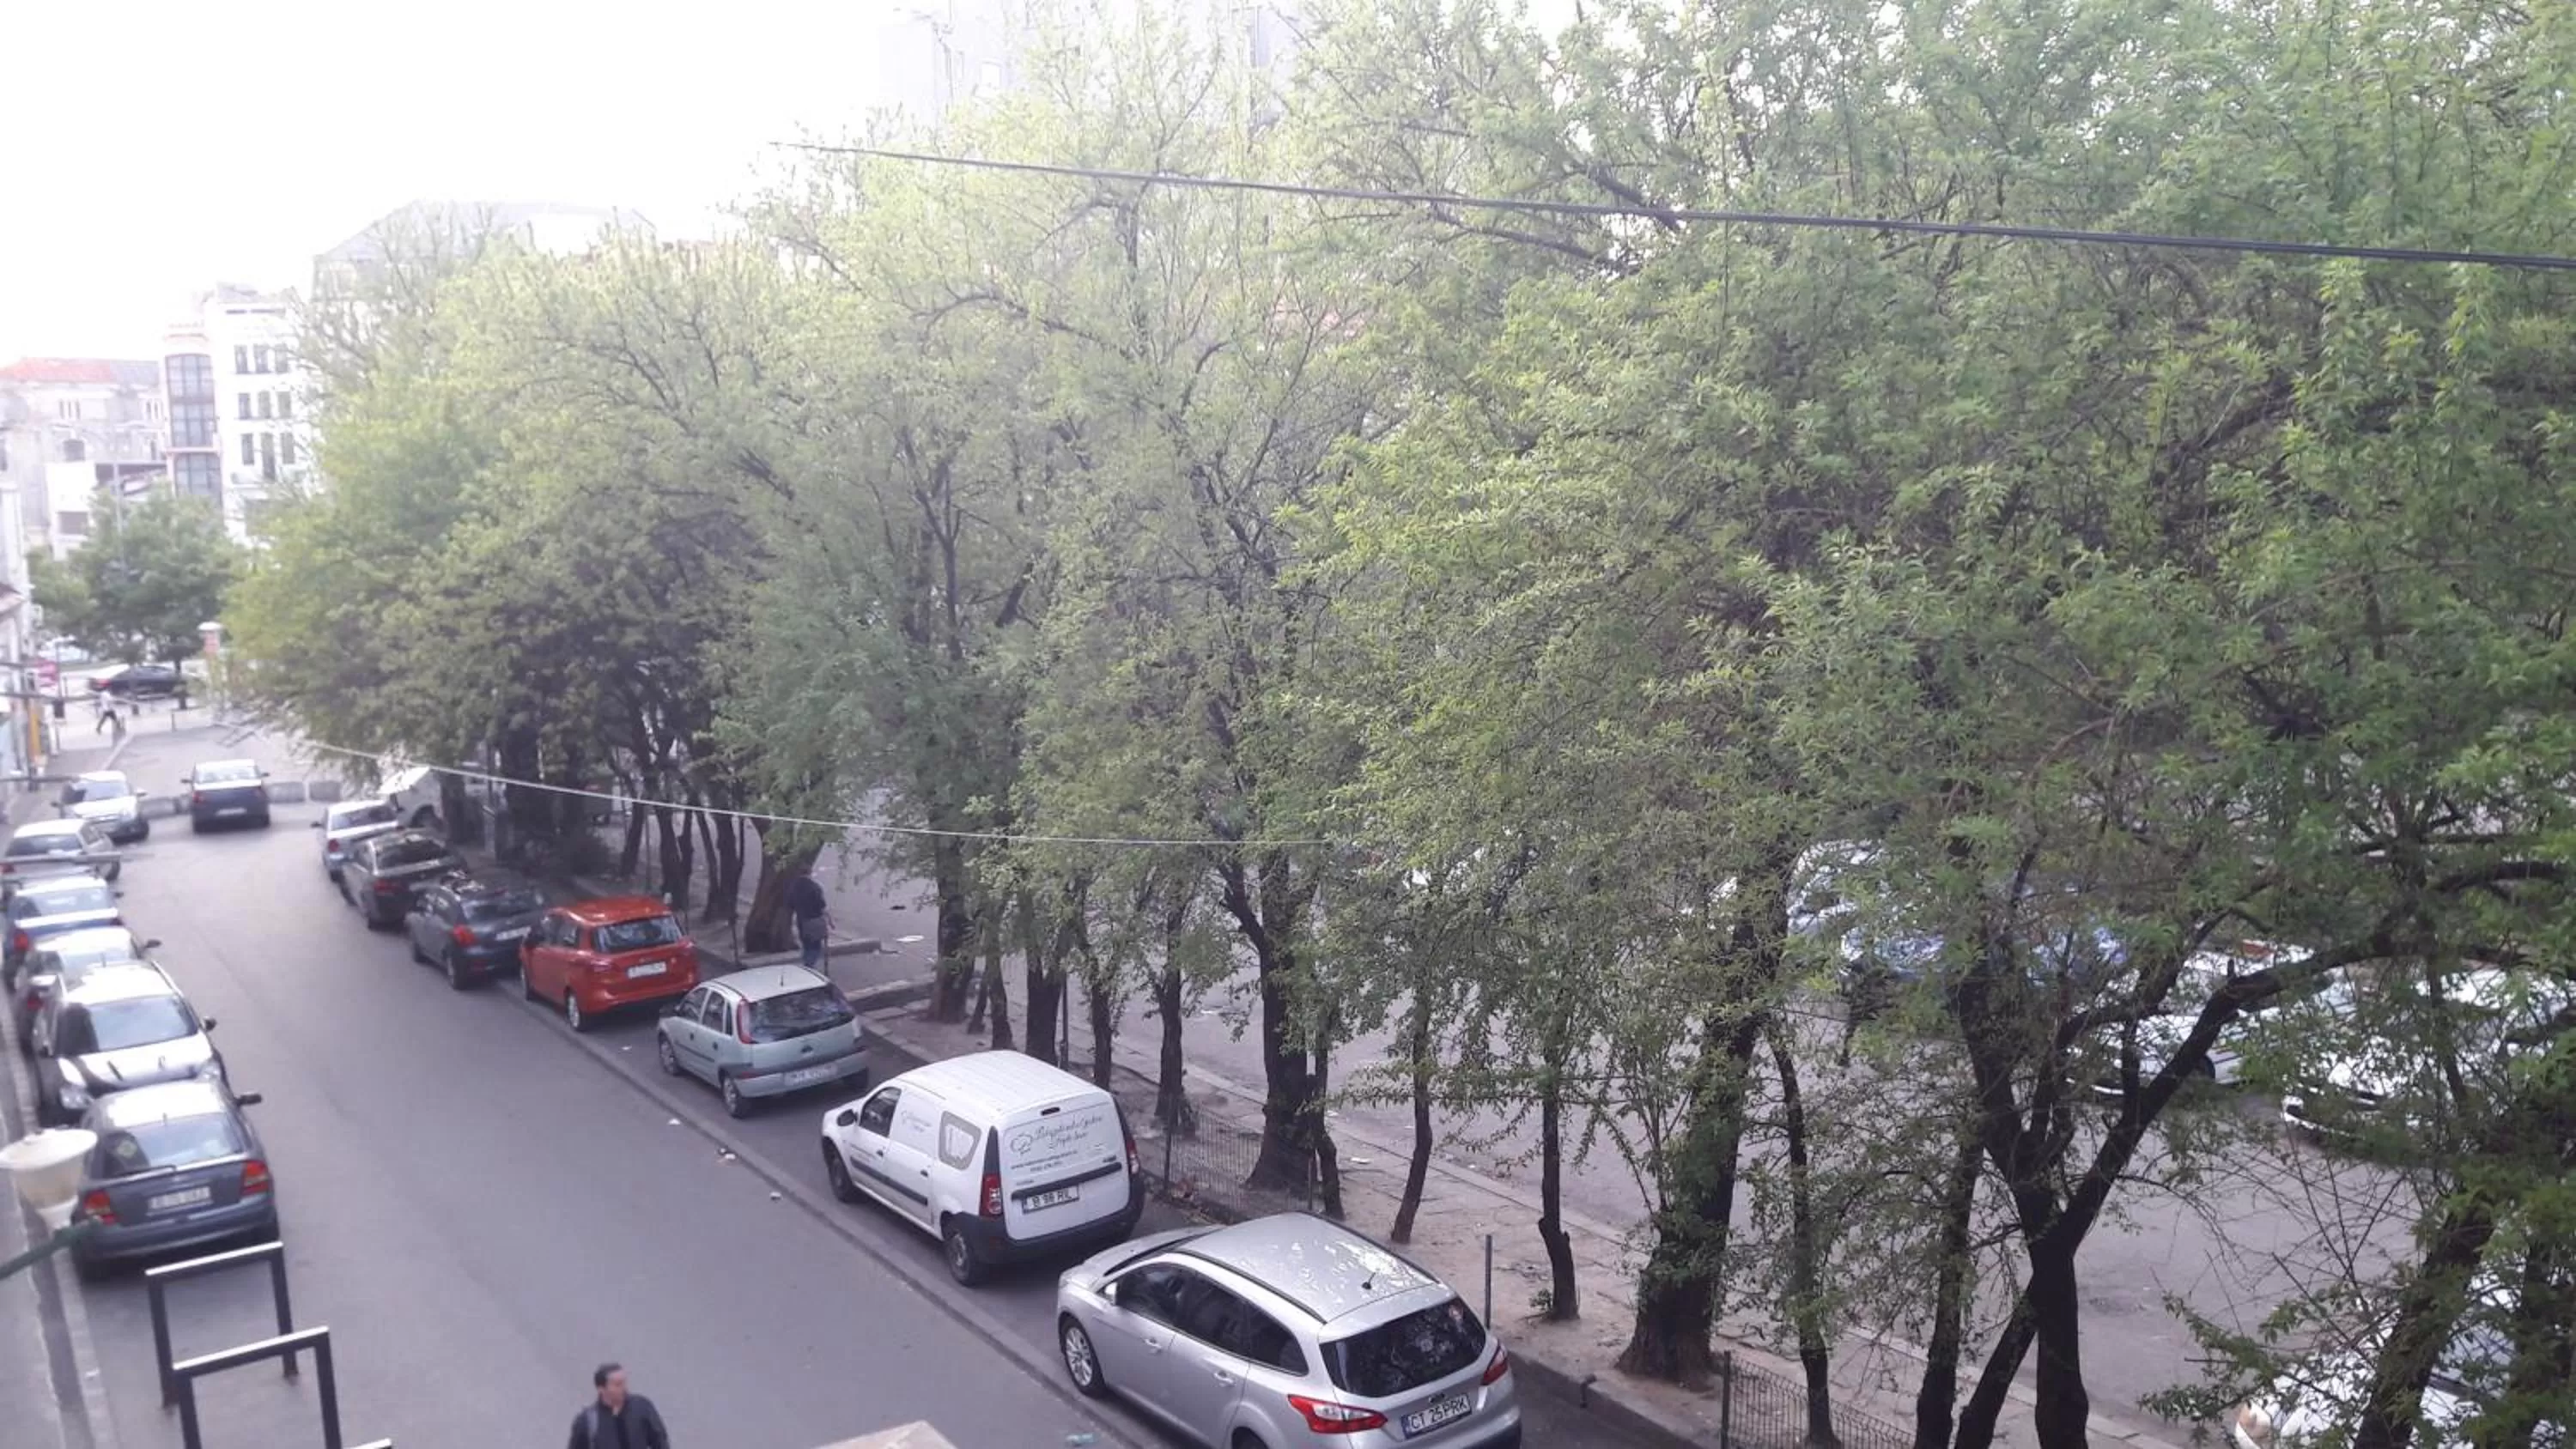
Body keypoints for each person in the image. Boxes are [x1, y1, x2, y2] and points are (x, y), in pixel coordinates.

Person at [567, 1362, 669, 1449]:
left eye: (624, 1382)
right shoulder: (587, 1422)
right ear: (601, 1389)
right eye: (618, 1384)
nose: (624, 1388)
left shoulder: (642, 1407)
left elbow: (660, 1441)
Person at [784, 868, 830, 971]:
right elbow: (822, 905)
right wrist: (830, 921)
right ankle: (808, 967)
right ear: (810, 873)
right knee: (815, 946)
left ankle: (806, 964)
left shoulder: (794, 887)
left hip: (801, 920)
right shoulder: (815, 887)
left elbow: (789, 904)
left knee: (806, 944)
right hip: (814, 920)